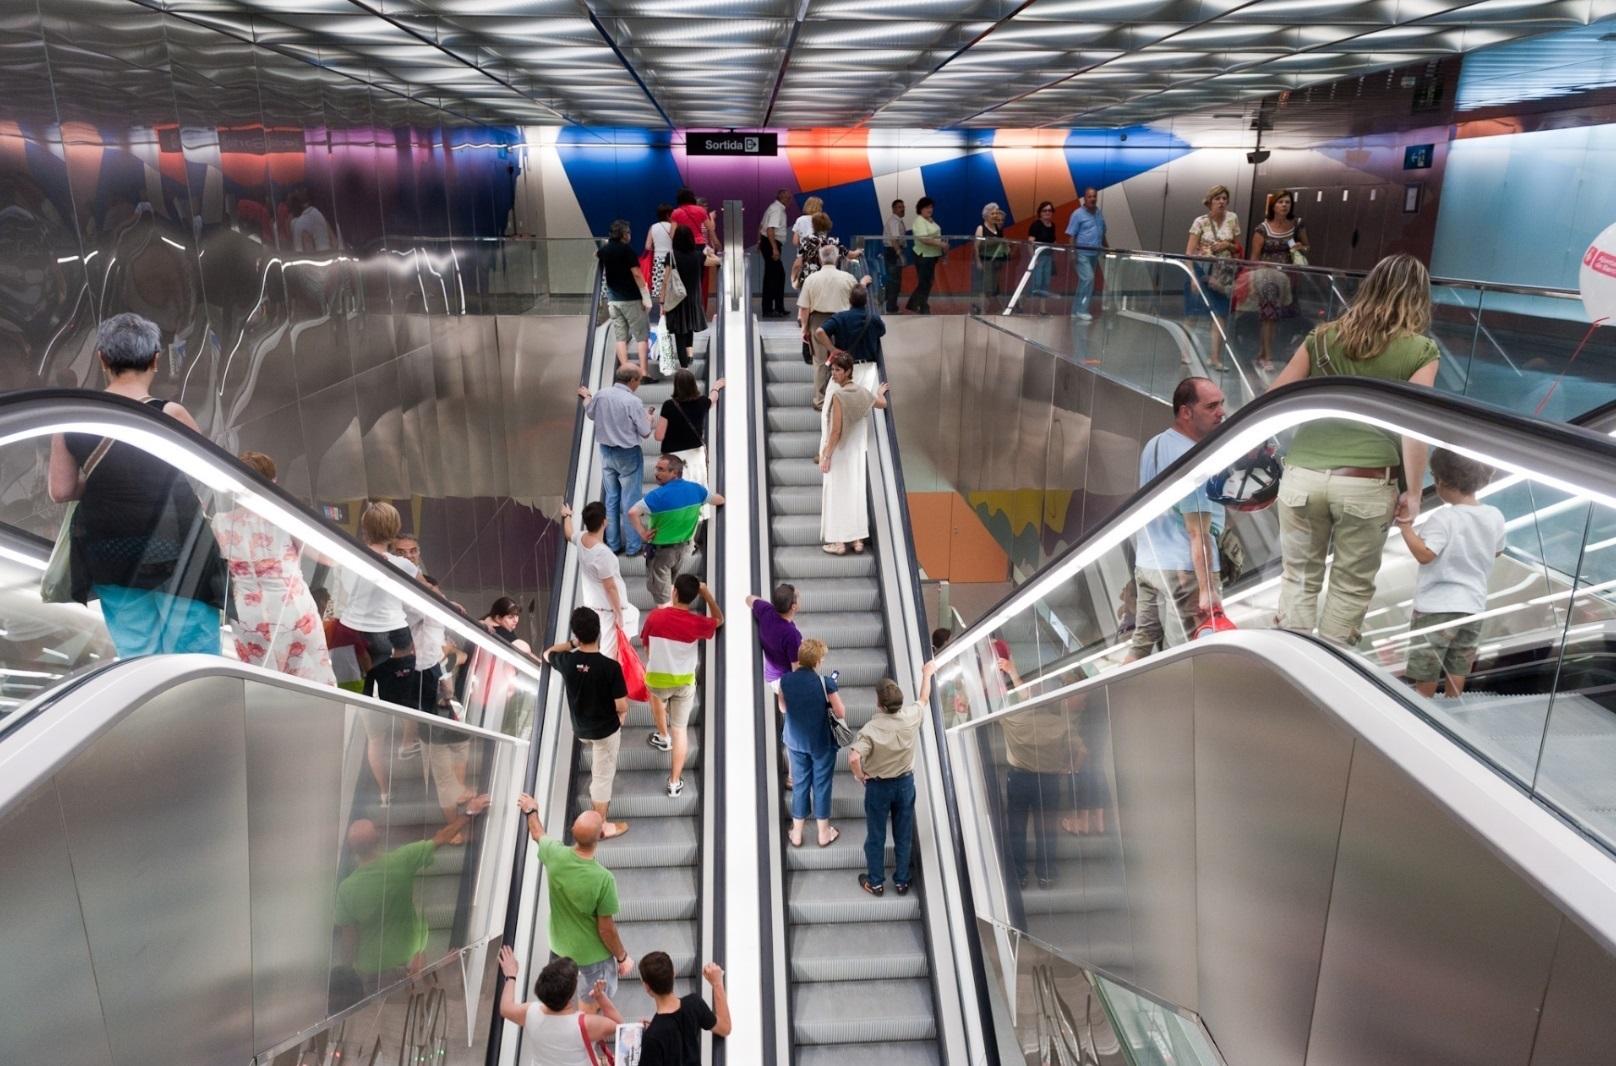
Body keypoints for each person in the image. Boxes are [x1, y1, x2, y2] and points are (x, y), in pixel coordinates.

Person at [1267, 253, 1440, 646]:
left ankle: (1289, 664)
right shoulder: (1420, 351)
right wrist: (1413, 492)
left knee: (1298, 578)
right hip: (1365, 483)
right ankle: (1326, 676)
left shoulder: (1323, 337)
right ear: (1418, 299)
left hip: (1302, 478)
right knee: (1349, 586)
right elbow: (1414, 428)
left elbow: (1275, 399)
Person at [47, 313, 226, 656]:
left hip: (109, 554)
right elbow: (210, 474)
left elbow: (61, 490)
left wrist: (104, 485)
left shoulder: (72, 417)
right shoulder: (170, 414)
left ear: (102, 358)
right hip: (175, 551)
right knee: (193, 655)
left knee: (138, 653)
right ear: (155, 359)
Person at [335, 795, 489, 991]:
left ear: (351, 849)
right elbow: (442, 837)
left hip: (370, 968)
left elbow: (349, 938)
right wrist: (469, 812)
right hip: (407, 961)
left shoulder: (346, 889)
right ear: (379, 838)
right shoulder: (402, 860)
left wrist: (347, 971)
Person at [212, 450, 335, 684]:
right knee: (307, 681)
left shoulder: (221, 522)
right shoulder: (286, 518)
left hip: (248, 615)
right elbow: (326, 558)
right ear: (273, 482)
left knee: (260, 682)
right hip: (292, 609)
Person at [1127, 377, 1227, 660]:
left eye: (1221, 403)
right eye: (1211, 406)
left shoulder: (1155, 444)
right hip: (1183, 572)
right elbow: (1198, 533)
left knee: (1141, 645)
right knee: (1185, 657)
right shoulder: (1192, 461)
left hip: (1148, 564)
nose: (1221, 412)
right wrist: (1207, 590)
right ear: (1186, 412)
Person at [1393, 449, 1506, 698]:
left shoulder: (1443, 517)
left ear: (1443, 482)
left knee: (1427, 665)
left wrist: (1405, 528)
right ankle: (1453, 703)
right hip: (1473, 605)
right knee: (1459, 661)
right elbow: (1497, 551)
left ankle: (1424, 705)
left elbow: (1425, 554)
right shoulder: (1494, 515)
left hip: (1435, 607)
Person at [516, 792, 634, 1004]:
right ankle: (586, 1024)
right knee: (594, 999)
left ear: (572, 831)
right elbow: (606, 929)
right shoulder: (603, 879)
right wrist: (622, 957)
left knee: (564, 983)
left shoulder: (555, 854)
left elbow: (536, 832)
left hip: (559, 944)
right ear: (602, 836)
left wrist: (531, 809)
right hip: (592, 955)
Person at [543, 608, 631, 839]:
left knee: (598, 761)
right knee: (602, 777)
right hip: (605, 732)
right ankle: (599, 826)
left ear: (577, 634)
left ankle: (598, 822)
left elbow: (548, 653)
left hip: (581, 729)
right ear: (599, 632)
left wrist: (573, 643)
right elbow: (621, 706)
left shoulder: (567, 661)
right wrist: (620, 718)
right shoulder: (610, 668)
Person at [849, 664, 933, 897]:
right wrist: (927, 674)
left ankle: (876, 882)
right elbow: (924, 698)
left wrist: (859, 775)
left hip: (878, 787)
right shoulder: (911, 716)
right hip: (905, 785)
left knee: (876, 835)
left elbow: (854, 757)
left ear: (879, 704)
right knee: (903, 833)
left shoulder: (871, 729)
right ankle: (902, 881)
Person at [641, 573, 722, 797]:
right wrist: (707, 594)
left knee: (656, 699)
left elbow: (646, 646)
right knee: (681, 731)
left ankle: (662, 736)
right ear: (694, 596)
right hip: (684, 682)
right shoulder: (697, 623)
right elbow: (719, 620)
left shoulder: (655, 617)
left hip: (657, 678)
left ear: (674, 592)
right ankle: (675, 782)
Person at [497, 948, 622, 1066]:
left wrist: (511, 975)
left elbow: (505, 1008)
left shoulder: (530, 1013)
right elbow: (619, 1025)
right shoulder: (583, 1024)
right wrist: (600, 996)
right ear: (571, 994)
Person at [817, 354, 891, 555]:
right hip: (856, 453)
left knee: (837, 495)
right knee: (854, 493)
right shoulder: (862, 392)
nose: (834, 374)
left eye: (838, 370)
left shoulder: (839, 396)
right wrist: (879, 392)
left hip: (840, 453)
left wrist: (826, 455)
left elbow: (836, 431)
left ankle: (839, 543)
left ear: (848, 371)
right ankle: (857, 540)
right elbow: (881, 404)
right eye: (833, 370)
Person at [579, 365, 656, 556]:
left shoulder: (602, 394)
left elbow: (590, 412)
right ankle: (633, 546)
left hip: (605, 452)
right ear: (631, 380)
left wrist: (588, 396)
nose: (638, 384)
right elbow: (645, 432)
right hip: (628, 454)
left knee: (612, 498)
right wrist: (649, 418)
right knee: (630, 501)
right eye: (638, 380)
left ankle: (612, 544)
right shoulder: (633, 401)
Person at [629, 454, 725, 606]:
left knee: (662, 596)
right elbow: (718, 500)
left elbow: (632, 512)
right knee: (671, 584)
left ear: (674, 472)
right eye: (656, 468)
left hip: (661, 553)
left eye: (661, 470)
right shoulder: (696, 490)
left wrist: (643, 533)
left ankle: (667, 618)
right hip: (683, 549)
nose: (656, 473)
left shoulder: (656, 496)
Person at [779, 639, 846, 848]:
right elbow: (840, 712)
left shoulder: (786, 680)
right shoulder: (826, 682)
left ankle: (797, 833)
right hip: (821, 742)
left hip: (795, 742)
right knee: (822, 785)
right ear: (817, 661)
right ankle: (823, 833)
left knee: (799, 784)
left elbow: (783, 708)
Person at [798, 246, 871, 411]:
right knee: (843, 359)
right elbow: (857, 295)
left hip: (818, 321)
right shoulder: (848, 277)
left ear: (819, 258)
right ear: (838, 258)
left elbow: (804, 308)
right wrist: (863, 283)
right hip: (843, 321)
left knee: (820, 362)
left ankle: (820, 400)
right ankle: (843, 397)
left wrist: (804, 328)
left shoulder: (811, 279)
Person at [562, 501, 637, 661]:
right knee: (608, 653)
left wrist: (567, 515)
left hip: (594, 604)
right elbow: (610, 587)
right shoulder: (603, 554)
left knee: (633, 615)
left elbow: (569, 534)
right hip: (607, 609)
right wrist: (618, 614)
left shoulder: (582, 538)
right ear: (604, 521)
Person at [1249, 190, 1309, 371]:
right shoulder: (1262, 229)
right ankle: (1268, 356)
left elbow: (1307, 246)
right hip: (1268, 278)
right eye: (1281, 202)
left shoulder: (1297, 225)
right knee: (1269, 317)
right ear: (1273, 206)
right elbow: (1254, 257)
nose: (1284, 205)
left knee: (1280, 317)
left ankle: (1264, 352)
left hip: (1289, 278)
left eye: (1287, 202)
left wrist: (1301, 247)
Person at [638, 953, 732, 1066]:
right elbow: (725, 1028)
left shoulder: (652, 1038)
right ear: (674, 973)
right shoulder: (694, 1004)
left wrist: (654, 1030)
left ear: (646, 987)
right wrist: (717, 983)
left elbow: (665, 1032)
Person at [656, 369, 724, 520]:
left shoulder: (669, 405)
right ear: (693, 385)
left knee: (674, 493)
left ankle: (674, 523)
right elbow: (713, 398)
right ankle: (696, 525)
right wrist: (716, 387)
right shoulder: (701, 403)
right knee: (696, 489)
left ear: (676, 386)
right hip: (694, 456)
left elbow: (659, 435)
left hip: (673, 459)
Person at [1186, 185, 1240, 371]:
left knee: (1220, 315)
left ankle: (1215, 357)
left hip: (1223, 273)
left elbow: (1236, 247)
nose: (1222, 202)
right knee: (1193, 313)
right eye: (1217, 198)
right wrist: (1193, 276)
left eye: (1224, 198)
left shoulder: (1233, 219)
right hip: (1202, 270)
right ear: (1209, 202)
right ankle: (1185, 352)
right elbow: (1189, 252)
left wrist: (1227, 244)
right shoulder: (1200, 222)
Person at [598, 219, 653, 375]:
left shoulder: (606, 250)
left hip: (613, 300)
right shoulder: (627, 251)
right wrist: (646, 296)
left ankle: (626, 370)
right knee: (642, 336)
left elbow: (596, 254)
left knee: (620, 337)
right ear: (623, 234)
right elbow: (636, 273)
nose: (630, 235)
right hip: (631, 299)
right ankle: (643, 372)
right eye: (628, 232)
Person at [663, 224, 719, 368]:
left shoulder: (671, 256)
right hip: (693, 298)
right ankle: (689, 355)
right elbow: (717, 261)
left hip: (676, 299)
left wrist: (662, 302)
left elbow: (665, 281)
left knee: (679, 332)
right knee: (688, 329)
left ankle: (683, 365)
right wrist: (710, 252)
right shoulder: (698, 255)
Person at [818, 285, 884, 393]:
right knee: (867, 405)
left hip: (845, 368)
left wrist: (832, 349)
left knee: (840, 404)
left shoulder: (840, 317)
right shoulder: (874, 319)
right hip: (868, 368)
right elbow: (882, 332)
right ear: (866, 301)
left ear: (850, 300)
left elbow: (820, 331)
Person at [747, 584, 802, 696]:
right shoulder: (791, 635)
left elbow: (749, 599)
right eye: (798, 598)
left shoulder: (766, 611)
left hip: (771, 673)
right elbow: (796, 670)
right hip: (782, 679)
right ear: (793, 607)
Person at [670, 189, 718, 314]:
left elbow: (672, 234)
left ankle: (683, 308)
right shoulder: (701, 211)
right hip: (699, 246)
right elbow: (710, 228)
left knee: (682, 278)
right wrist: (715, 240)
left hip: (682, 247)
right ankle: (697, 308)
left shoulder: (676, 213)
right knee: (698, 279)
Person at [1066, 188, 1108, 321]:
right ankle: (1082, 310)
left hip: (1094, 254)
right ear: (1084, 198)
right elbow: (1071, 235)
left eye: (1094, 196)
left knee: (1084, 282)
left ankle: (1075, 310)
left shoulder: (1098, 213)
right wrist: (1073, 252)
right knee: (1088, 279)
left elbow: (1102, 231)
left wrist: (1106, 248)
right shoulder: (1077, 214)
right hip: (1082, 253)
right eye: (1090, 196)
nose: (1092, 199)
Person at [905, 197, 944, 314]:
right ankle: (920, 305)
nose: (930, 209)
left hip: (932, 255)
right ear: (920, 209)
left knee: (927, 282)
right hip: (923, 255)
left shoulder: (930, 220)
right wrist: (940, 243)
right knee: (925, 282)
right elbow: (924, 239)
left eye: (931, 207)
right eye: (927, 207)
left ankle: (918, 304)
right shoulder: (919, 221)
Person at [758, 188, 791, 318]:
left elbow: (761, 226)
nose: (790, 201)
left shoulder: (773, 208)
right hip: (772, 243)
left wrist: (759, 241)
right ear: (781, 198)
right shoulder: (777, 210)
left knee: (775, 276)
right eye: (788, 198)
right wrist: (774, 248)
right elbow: (770, 229)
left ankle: (777, 307)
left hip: (768, 243)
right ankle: (770, 309)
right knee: (775, 277)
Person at [974, 202, 1010, 312]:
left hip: (996, 261)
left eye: (996, 213)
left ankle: (983, 307)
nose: (995, 215)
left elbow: (1002, 241)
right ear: (986, 215)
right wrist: (978, 262)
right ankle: (982, 309)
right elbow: (976, 246)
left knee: (993, 286)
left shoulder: (997, 228)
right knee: (985, 286)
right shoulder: (981, 228)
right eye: (992, 213)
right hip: (986, 260)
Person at [644, 202, 676, 321]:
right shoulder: (673, 226)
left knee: (659, 288)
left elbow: (647, 246)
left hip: (658, 260)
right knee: (672, 286)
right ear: (668, 214)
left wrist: (657, 247)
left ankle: (661, 315)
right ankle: (672, 315)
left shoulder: (653, 227)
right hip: (672, 259)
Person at [1026, 200, 1058, 303]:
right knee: (1037, 283)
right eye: (1045, 210)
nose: (1047, 212)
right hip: (1038, 257)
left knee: (1046, 283)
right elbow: (1030, 243)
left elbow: (1052, 241)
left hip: (1048, 257)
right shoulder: (1036, 225)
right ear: (1040, 212)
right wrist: (1033, 258)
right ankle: (1021, 301)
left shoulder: (1052, 225)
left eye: (1049, 210)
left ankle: (1042, 309)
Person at [286, 186, 333, 253]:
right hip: (327, 256)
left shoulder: (297, 223)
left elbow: (300, 249)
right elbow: (334, 242)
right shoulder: (320, 215)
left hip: (310, 259)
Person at [881, 199, 908, 312]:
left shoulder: (898, 221)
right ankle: (891, 308)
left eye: (903, 207)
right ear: (893, 209)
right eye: (899, 207)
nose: (902, 209)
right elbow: (894, 240)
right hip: (893, 252)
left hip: (894, 251)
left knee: (895, 280)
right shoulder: (894, 221)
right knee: (894, 281)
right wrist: (900, 255)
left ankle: (891, 306)